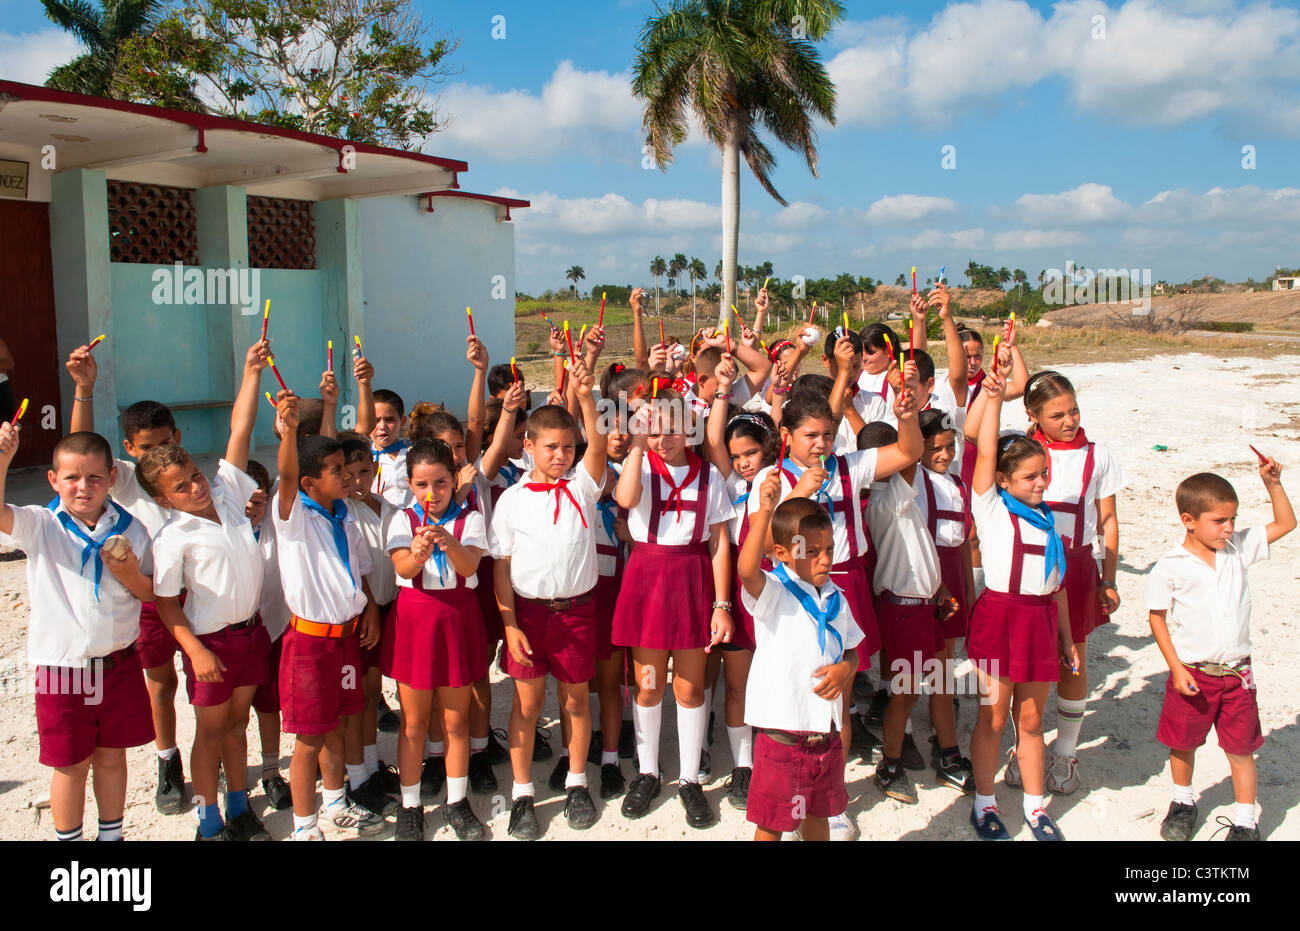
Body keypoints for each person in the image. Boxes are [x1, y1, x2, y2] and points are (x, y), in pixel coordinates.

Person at [138, 339, 273, 840]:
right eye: (180, 487)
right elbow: (166, 604)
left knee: (238, 727)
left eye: (193, 475)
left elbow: (241, 427)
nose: (195, 487)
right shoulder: (172, 537)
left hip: (251, 635)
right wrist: (194, 651)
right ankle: (208, 818)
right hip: (212, 646)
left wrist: (251, 371)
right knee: (210, 732)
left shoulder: (229, 489)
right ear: (162, 498)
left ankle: (240, 808)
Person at [0, 428, 155, 840]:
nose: (82, 487)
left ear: (112, 479)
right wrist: (2, 461)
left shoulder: (134, 529)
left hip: (118, 665)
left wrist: (127, 572)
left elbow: (150, 592)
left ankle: (112, 835)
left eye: (94, 478)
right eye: (71, 477)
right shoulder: (41, 524)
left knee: (111, 756)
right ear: (53, 480)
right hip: (62, 670)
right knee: (69, 764)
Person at [490, 356, 608, 838]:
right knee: (527, 706)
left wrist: (584, 394)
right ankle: (522, 794)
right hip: (530, 617)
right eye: (551, 447)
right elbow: (501, 567)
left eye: (567, 447)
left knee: (576, 701)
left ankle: (577, 781)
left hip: (577, 613)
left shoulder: (583, 487)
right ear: (529, 446)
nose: (561, 455)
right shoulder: (513, 499)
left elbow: (597, 446)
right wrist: (510, 624)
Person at [66, 345, 187, 815]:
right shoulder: (124, 481)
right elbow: (81, 450)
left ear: (176, 437)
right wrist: (83, 390)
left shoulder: (191, 478)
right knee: (160, 685)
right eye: (145, 447)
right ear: (129, 449)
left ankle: (215, 756)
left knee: (207, 682)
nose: (156, 453)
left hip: (195, 597)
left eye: (164, 443)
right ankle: (168, 761)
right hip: (149, 598)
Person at [1146, 464, 1294, 841]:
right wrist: (1176, 669)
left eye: (1233, 519)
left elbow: (1286, 523)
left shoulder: (1238, 549)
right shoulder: (1170, 566)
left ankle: (1246, 821)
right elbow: (1157, 618)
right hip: (1193, 674)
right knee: (1183, 745)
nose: (1229, 528)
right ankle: (1182, 802)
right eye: (1220, 521)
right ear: (1188, 520)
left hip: (1238, 676)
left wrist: (1273, 483)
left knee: (1241, 751)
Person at [612, 381, 735, 828]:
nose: (667, 439)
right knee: (647, 684)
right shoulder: (641, 467)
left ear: (693, 430)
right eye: (657, 430)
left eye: (676, 430)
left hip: (691, 581)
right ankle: (647, 771)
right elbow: (624, 501)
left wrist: (722, 604)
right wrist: (637, 447)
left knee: (689, 686)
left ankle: (688, 779)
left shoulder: (710, 475)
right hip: (647, 578)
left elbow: (719, 543)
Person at [965, 369, 1077, 841]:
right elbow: (986, 451)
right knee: (993, 717)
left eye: (1044, 474)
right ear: (1005, 481)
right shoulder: (990, 508)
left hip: (1040, 622)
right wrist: (992, 398)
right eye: (1030, 476)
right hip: (1000, 619)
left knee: (1031, 722)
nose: (1040, 483)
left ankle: (1034, 807)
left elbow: (1058, 587)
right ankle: (985, 804)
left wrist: (1067, 640)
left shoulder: (1049, 521)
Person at [273, 403, 384, 841]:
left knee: (338, 724)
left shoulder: (344, 517)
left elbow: (357, 572)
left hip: (345, 640)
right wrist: (287, 434)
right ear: (309, 483)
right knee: (309, 738)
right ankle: (303, 827)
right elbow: (284, 479)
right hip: (310, 645)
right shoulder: (294, 519)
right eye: (337, 470)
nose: (347, 476)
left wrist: (370, 609)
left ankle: (336, 803)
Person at [738, 481, 862, 841]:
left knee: (818, 816)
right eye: (813, 551)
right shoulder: (774, 591)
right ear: (783, 552)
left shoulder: (837, 597)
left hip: (826, 733)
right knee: (773, 823)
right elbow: (747, 571)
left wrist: (847, 668)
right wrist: (764, 510)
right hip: (782, 736)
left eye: (829, 549)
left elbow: (852, 649)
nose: (825, 558)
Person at [382, 438, 490, 841]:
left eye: (441, 483)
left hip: (457, 619)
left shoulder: (471, 519)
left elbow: (469, 564)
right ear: (410, 484)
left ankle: (457, 801)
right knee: (414, 723)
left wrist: (449, 542)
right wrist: (419, 553)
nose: (433, 493)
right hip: (416, 620)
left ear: (453, 480)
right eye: (423, 485)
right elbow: (405, 570)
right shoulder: (400, 521)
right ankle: (411, 806)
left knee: (456, 719)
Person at [859, 419, 971, 802]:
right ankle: (890, 766)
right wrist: (906, 412)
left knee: (940, 679)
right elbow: (908, 455)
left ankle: (949, 754)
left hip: (924, 606)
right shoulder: (889, 497)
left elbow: (916, 552)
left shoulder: (898, 496)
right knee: (905, 694)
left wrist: (938, 591)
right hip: (904, 611)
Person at [704, 356, 781, 809]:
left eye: (750, 453)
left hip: (776, 595)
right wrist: (721, 389)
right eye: (736, 457)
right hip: (737, 593)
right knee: (737, 684)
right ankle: (742, 765)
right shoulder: (731, 484)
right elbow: (714, 438)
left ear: (768, 448)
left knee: (774, 679)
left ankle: (777, 756)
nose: (743, 463)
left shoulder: (782, 479)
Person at [338, 435, 401, 818]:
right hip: (361, 616)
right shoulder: (341, 513)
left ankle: (372, 764)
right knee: (356, 698)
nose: (358, 480)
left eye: (365, 471)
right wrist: (370, 610)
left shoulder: (389, 508)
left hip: (391, 609)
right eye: (349, 473)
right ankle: (356, 777)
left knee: (374, 691)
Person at [244, 459, 293, 810]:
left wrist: (287, 429)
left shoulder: (275, 523)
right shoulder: (219, 530)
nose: (250, 508)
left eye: (258, 500)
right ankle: (226, 771)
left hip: (274, 628)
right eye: (241, 501)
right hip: (234, 635)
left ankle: (272, 770)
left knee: (268, 704)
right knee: (229, 712)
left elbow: (287, 475)